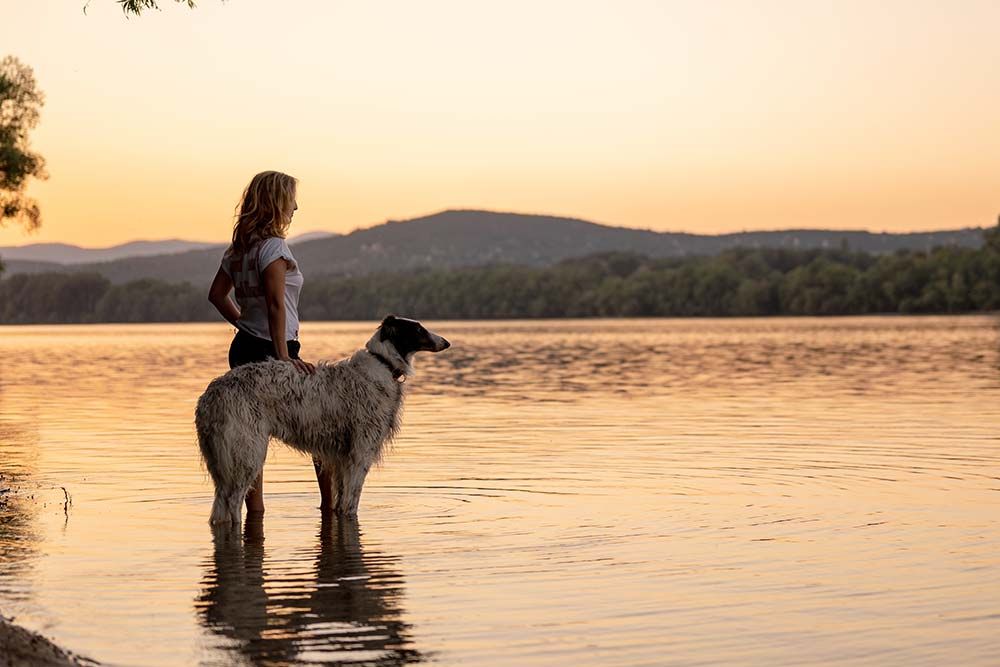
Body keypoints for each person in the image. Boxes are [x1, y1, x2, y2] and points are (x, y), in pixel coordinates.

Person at [207, 170, 332, 515]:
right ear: (276, 202)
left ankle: (256, 515)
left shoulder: (238, 249)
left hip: (245, 346)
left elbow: (216, 295)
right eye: (292, 199)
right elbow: (277, 305)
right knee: (321, 428)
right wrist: (283, 357)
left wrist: (244, 324)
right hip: (274, 350)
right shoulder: (273, 247)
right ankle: (332, 509)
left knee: (252, 432)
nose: (296, 207)